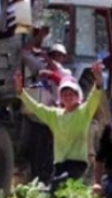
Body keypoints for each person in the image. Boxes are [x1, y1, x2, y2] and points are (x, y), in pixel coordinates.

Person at [14, 61, 104, 193]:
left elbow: (95, 96)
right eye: (64, 94)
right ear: (60, 97)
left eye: (71, 94)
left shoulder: (84, 112)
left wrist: (98, 78)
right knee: (58, 191)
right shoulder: (55, 115)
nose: (67, 97)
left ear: (77, 96)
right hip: (60, 164)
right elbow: (35, 107)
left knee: (56, 186)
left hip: (77, 164)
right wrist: (20, 91)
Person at [19, 43, 72, 184]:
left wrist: (45, 58)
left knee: (52, 150)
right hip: (39, 117)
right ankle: (38, 178)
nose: (56, 58)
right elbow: (24, 55)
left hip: (55, 118)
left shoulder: (66, 73)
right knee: (37, 148)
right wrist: (36, 41)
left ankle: (50, 178)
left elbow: (58, 73)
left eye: (59, 56)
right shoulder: (41, 68)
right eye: (53, 55)